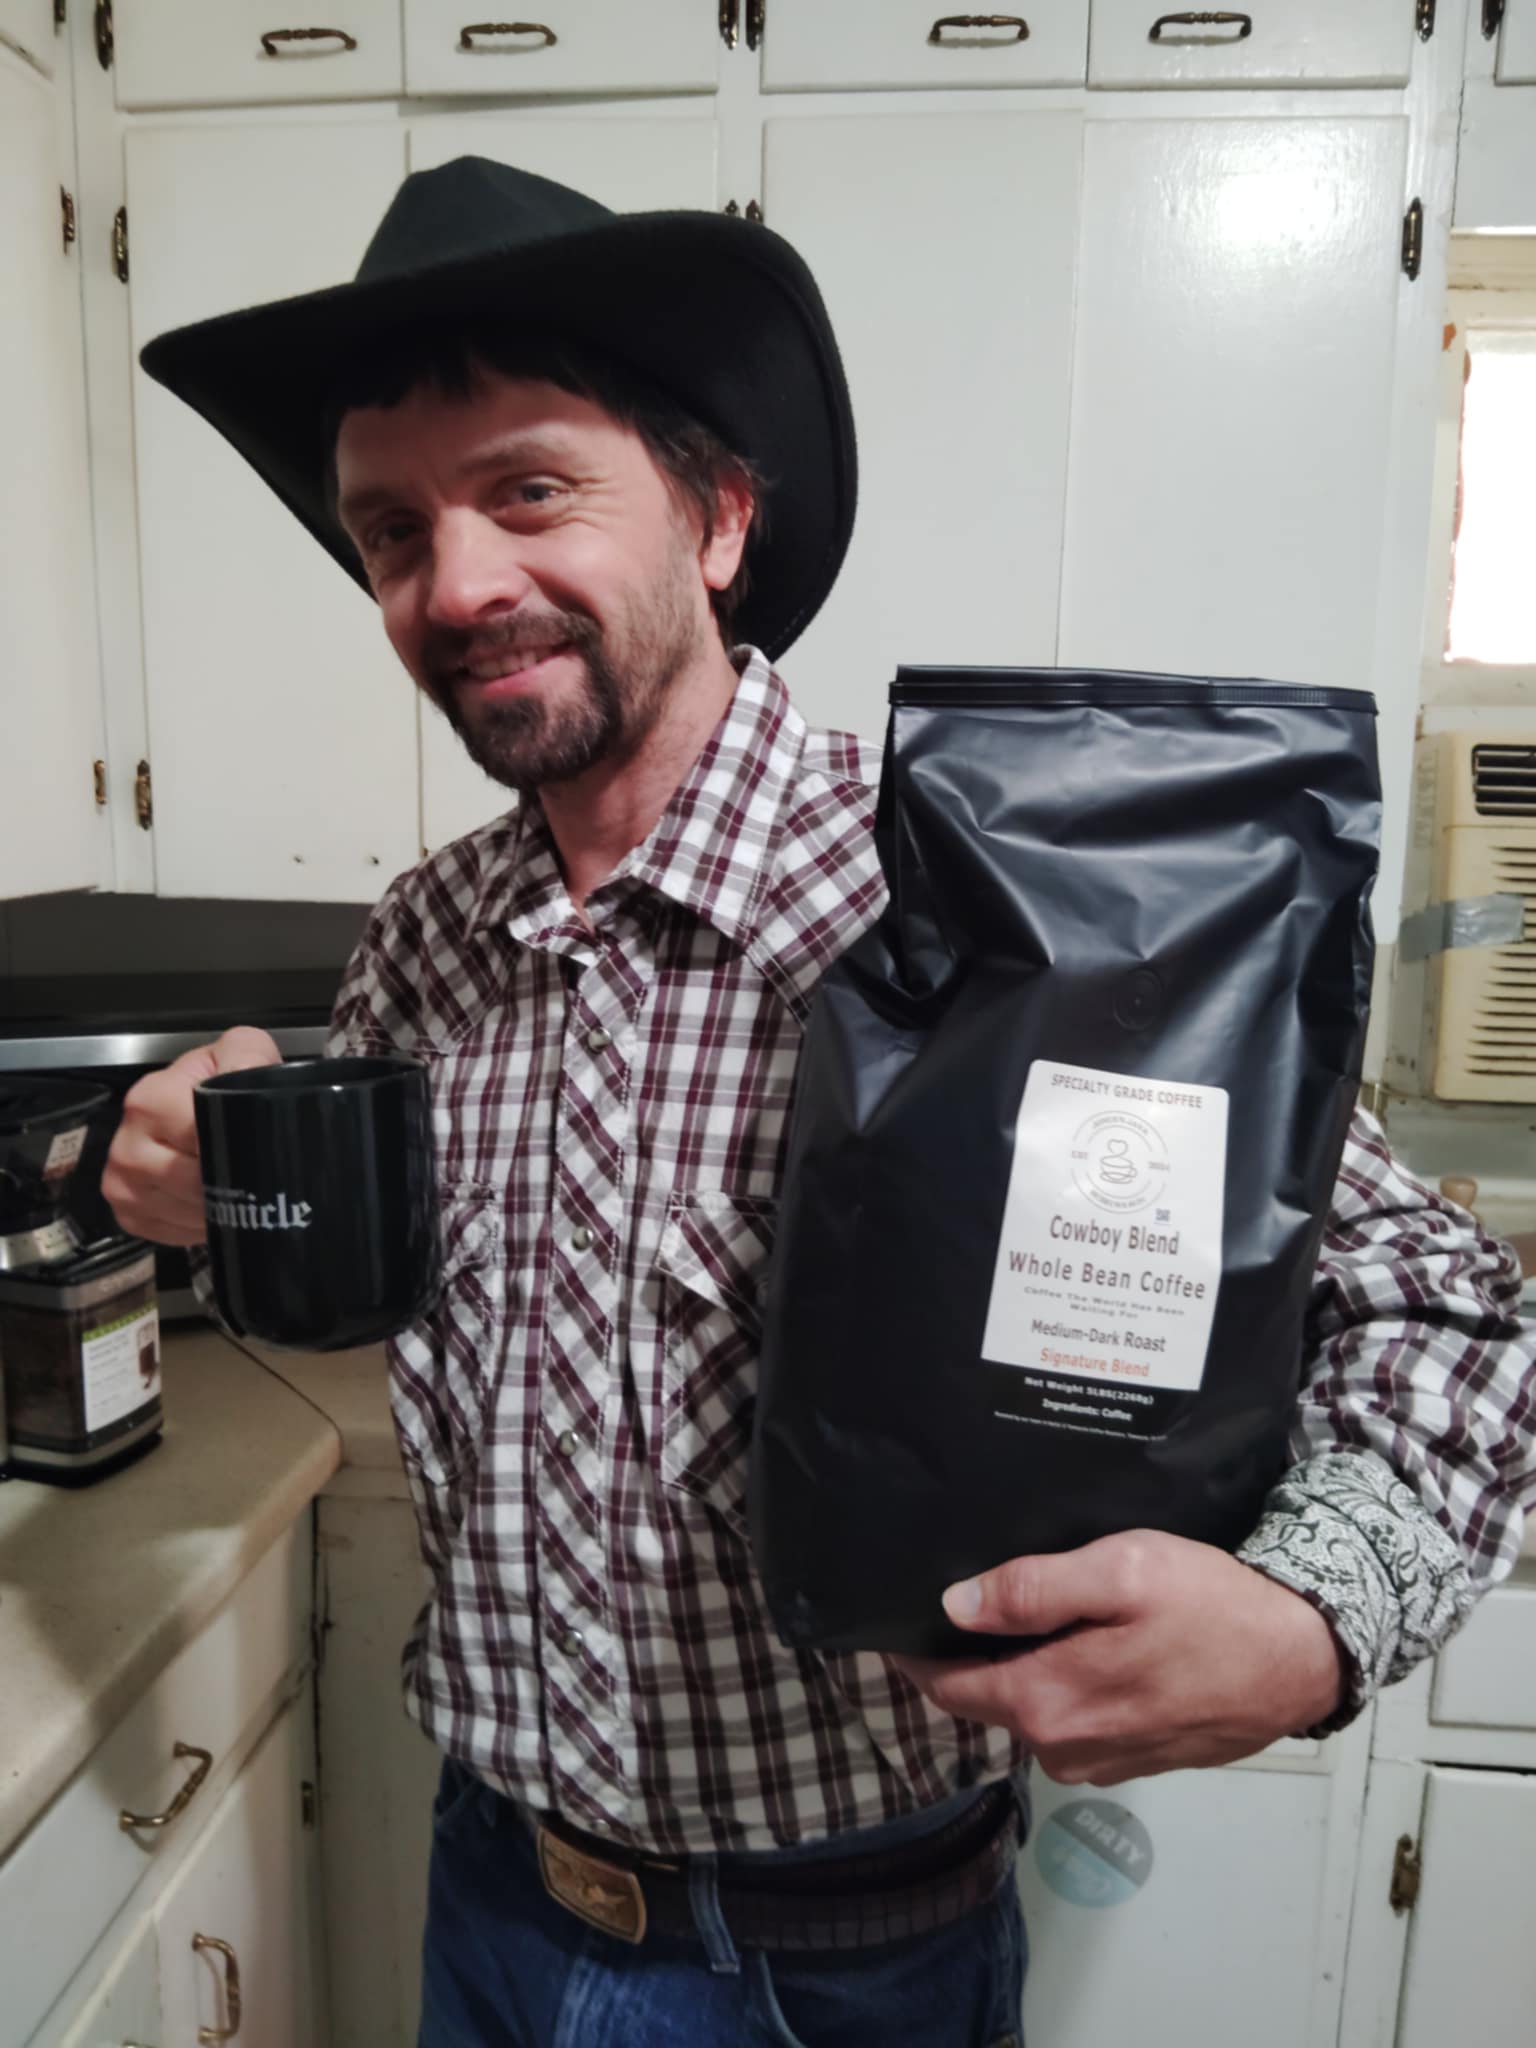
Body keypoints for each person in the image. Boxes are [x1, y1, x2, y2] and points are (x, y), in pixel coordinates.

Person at [103, 157, 1535, 2048]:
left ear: (715, 520)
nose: (454, 586)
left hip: (838, 1967)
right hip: (489, 1894)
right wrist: (206, 1192)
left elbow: (1458, 1318)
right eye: (391, 532)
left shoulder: (993, 900)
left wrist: (1314, 1622)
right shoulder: (424, 944)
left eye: (531, 490)